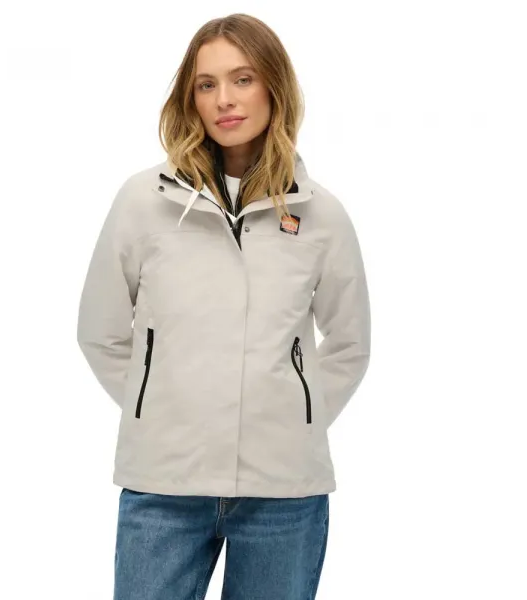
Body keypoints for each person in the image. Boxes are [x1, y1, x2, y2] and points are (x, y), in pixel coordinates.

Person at [76, 12, 371, 600]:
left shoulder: (321, 215)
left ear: (274, 87)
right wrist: (159, 410)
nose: (224, 100)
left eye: (242, 79)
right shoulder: (143, 202)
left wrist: (293, 420)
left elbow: (349, 343)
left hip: (284, 490)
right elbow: (100, 332)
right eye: (206, 84)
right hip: (163, 482)